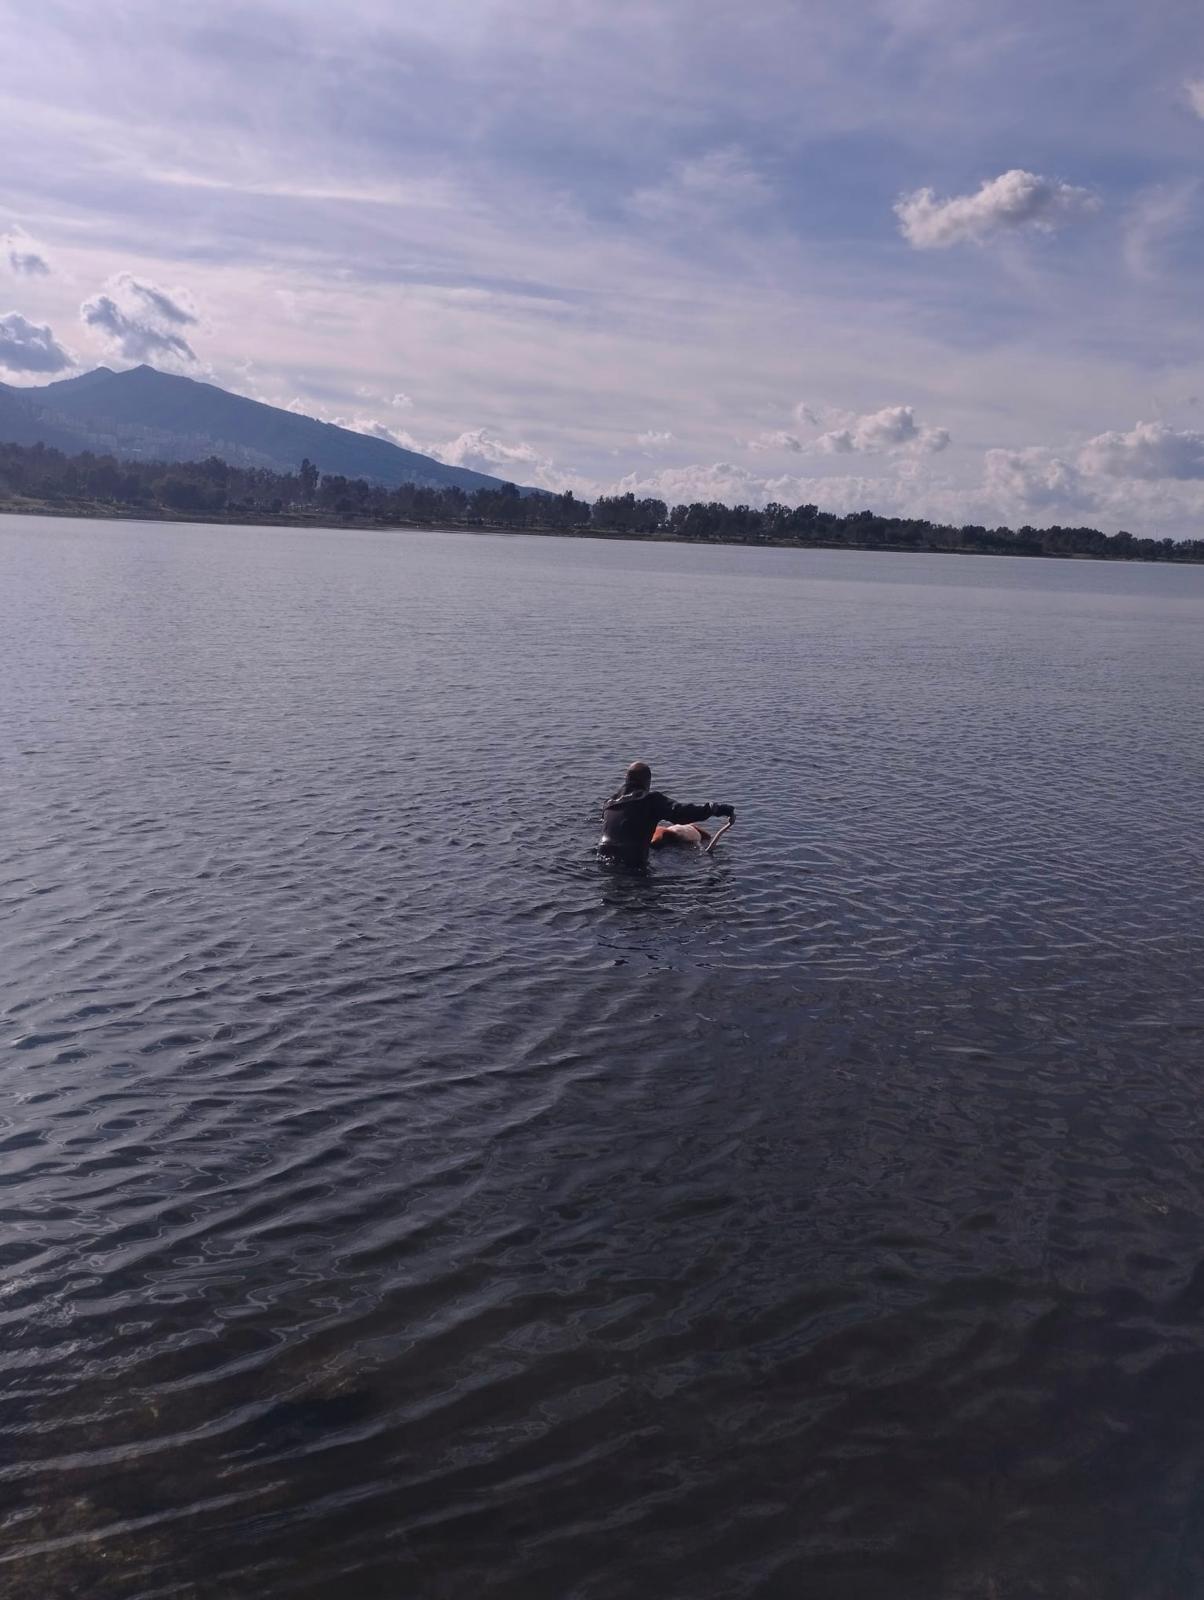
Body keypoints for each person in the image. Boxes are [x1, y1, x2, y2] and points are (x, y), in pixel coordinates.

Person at [597, 761, 735, 866]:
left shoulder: (608, 803)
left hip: (603, 860)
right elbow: (681, 813)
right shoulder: (650, 800)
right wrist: (714, 809)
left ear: (626, 780)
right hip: (632, 865)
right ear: (647, 782)